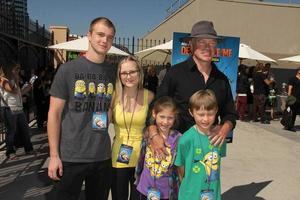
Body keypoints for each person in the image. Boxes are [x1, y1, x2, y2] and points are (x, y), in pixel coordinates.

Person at [47, 17, 116, 200]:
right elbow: (54, 114)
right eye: (100, 35)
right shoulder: (67, 70)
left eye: (110, 37)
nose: (104, 40)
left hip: (101, 155)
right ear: (89, 35)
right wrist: (54, 156)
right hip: (70, 157)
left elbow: (111, 106)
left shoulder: (113, 72)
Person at [147, 20, 237, 156]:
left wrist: (224, 128)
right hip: (176, 148)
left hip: (208, 149)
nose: (207, 47)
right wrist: (154, 135)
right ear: (192, 44)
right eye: (202, 42)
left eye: (212, 43)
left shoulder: (222, 80)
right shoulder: (175, 73)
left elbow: (230, 113)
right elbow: (155, 106)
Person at [110, 55, 154, 200]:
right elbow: (101, 124)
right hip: (119, 154)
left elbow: (156, 125)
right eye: (124, 73)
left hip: (142, 155)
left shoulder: (150, 96)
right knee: (119, 196)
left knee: (138, 197)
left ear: (139, 73)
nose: (128, 76)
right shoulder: (113, 97)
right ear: (119, 75)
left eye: (132, 72)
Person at [174, 89, 222, 200]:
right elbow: (181, 168)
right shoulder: (186, 139)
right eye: (201, 114)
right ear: (191, 112)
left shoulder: (219, 138)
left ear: (216, 111)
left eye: (210, 114)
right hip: (190, 195)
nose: (205, 119)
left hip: (213, 194)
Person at [135, 96, 181, 200]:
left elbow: (180, 167)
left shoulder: (178, 139)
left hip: (167, 192)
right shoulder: (147, 135)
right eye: (162, 117)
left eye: (170, 118)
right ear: (154, 114)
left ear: (175, 118)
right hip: (146, 188)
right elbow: (141, 159)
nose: (165, 122)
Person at [0, 62, 34, 159]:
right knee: (11, 131)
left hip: (18, 108)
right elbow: (13, 90)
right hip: (9, 109)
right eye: (16, 69)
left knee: (25, 129)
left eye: (18, 69)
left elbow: (18, 92)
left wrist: (27, 88)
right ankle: (10, 152)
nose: (18, 71)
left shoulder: (12, 79)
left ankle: (29, 148)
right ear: (9, 69)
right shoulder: (3, 81)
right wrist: (16, 77)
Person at [285, 67, 300, 132]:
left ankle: (290, 125)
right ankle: (290, 126)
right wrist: (289, 98)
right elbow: (290, 89)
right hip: (294, 98)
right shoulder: (292, 79)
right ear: (298, 71)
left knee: (298, 112)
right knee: (292, 113)